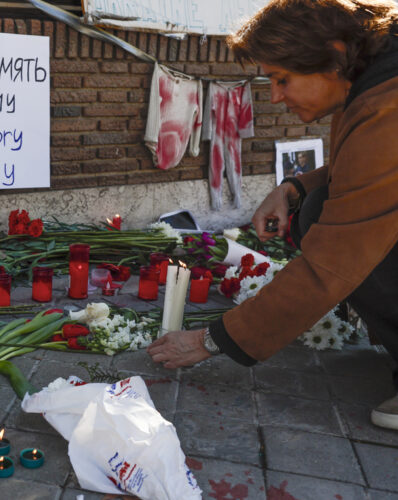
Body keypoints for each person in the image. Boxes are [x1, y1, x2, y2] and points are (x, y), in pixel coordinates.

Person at [147, 0, 398, 431]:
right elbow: (366, 171)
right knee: (316, 206)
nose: (276, 96)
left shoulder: (386, 107)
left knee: (329, 226)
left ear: (335, 54)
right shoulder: (374, 82)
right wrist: (293, 188)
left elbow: (332, 264)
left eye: (283, 79)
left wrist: (213, 339)